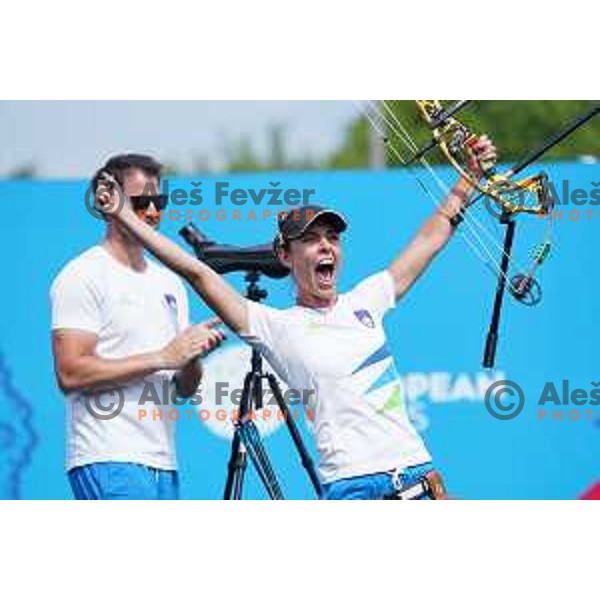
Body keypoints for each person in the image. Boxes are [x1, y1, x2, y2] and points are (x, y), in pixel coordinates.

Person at [94, 137, 497, 500]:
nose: (325, 247)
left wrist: (469, 177)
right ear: (285, 257)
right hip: (351, 488)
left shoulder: (367, 299)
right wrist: (125, 216)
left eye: (332, 238)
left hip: (418, 477)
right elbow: (198, 272)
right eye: (310, 240)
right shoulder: (275, 325)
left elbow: (430, 238)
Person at [50, 154, 224, 500]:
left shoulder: (170, 283)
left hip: (162, 461)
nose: (152, 210)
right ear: (108, 201)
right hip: (108, 456)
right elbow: (70, 374)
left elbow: (183, 389)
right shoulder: (82, 275)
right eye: (141, 201)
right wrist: (163, 356)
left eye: (159, 201)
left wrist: (191, 355)